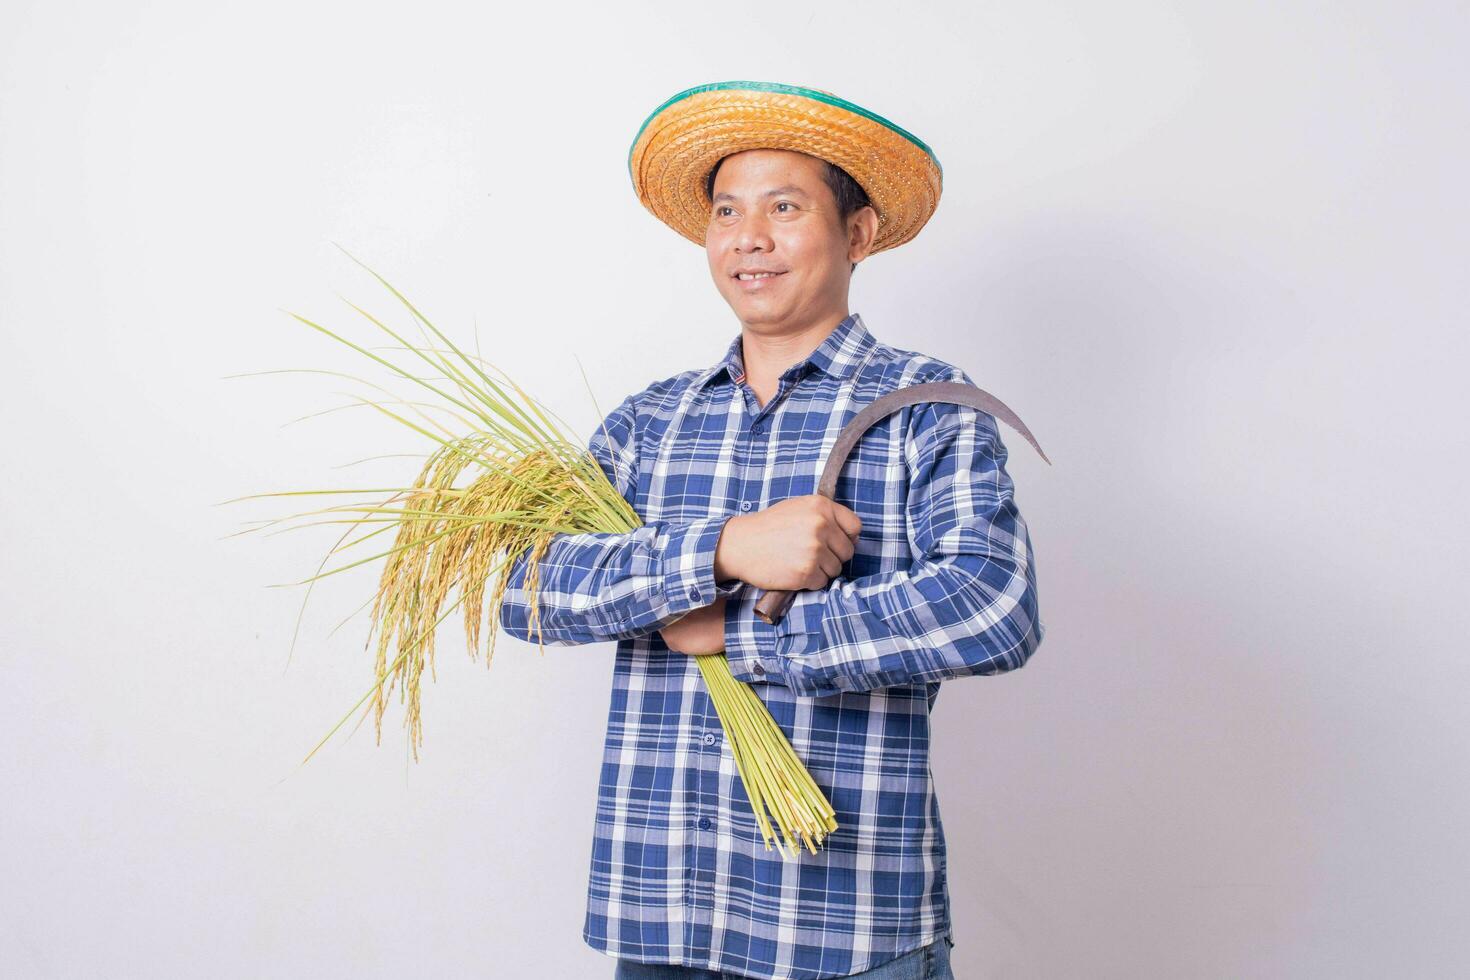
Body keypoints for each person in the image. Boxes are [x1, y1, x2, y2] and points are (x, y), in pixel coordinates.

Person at [497, 80, 1045, 980]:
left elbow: (995, 606)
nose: (748, 238)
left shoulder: (924, 409)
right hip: (660, 914)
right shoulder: (650, 423)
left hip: (843, 927)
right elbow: (522, 588)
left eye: (784, 207)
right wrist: (717, 551)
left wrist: (756, 634)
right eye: (727, 211)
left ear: (857, 233)